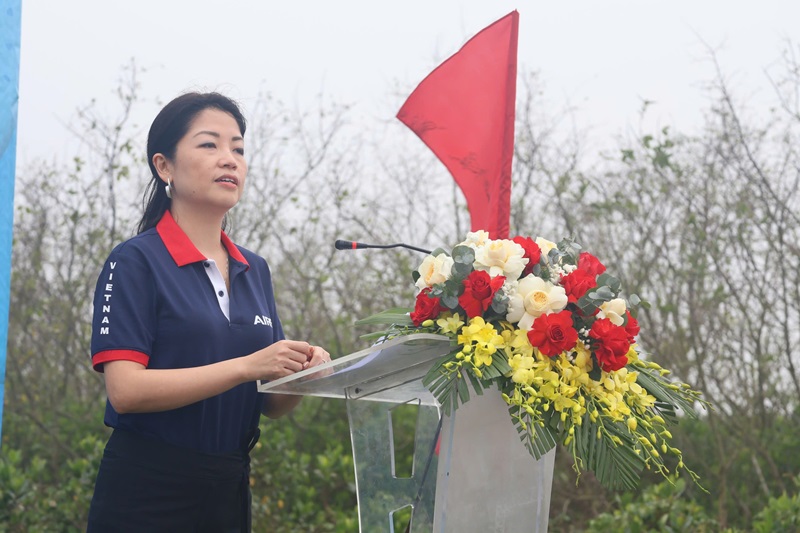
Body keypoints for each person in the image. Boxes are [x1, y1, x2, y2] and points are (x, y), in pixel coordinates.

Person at [86, 92, 330, 532]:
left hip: (227, 488)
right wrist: (246, 366)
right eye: (209, 144)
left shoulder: (254, 268)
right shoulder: (136, 261)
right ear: (164, 166)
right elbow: (126, 391)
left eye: (238, 148)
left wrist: (304, 376)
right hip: (147, 491)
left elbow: (270, 404)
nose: (229, 159)